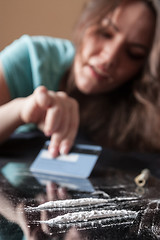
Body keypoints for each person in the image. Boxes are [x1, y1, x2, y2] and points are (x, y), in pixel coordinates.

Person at [0, 0, 160, 157]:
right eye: (105, 33)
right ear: (85, 21)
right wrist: (21, 111)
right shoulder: (30, 58)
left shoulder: (143, 110)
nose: (109, 58)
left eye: (133, 54)